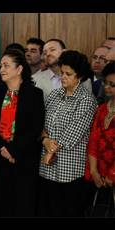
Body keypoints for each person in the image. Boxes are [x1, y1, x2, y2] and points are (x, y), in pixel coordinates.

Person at [0, 49, 45, 216]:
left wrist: (14, 150)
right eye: (1, 65)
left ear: (19, 69)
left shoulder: (35, 94)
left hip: (24, 159)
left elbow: (35, 128)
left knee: (23, 204)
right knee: (0, 204)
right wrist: (2, 148)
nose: (1, 69)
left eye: (6, 65)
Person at [38, 50, 97, 217]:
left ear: (79, 76)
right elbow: (41, 124)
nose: (63, 77)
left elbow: (72, 135)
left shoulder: (86, 100)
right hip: (46, 168)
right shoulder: (54, 95)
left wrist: (50, 145)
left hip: (70, 171)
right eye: (62, 72)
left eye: (68, 74)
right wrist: (45, 140)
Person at [85, 61, 115, 215]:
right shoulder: (101, 109)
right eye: (106, 83)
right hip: (99, 175)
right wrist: (94, 171)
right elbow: (93, 141)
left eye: (113, 84)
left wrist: (112, 174)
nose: (107, 87)